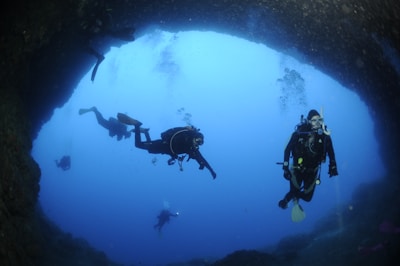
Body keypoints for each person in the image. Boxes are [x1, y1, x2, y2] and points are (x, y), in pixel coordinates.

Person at [117, 113, 217, 179]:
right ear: (194, 137)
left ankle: (145, 132)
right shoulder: (186, 139)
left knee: (148, 149)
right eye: (197, 140)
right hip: (162, 145)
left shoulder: (192, 149)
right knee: (138, 145)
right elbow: (174, 144)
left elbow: (202, 159)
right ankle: (137, 125)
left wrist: (211, 170)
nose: (197, 144)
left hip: (163, 149)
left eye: (200, 143)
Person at [278, 109, 338, 210]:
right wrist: (285, 167)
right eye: (314, 120)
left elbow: (331, 152)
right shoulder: (299, 134)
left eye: (320, 120)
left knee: (308, 198)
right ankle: (286, 200)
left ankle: (296, 196)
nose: (318, 122)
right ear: (309, 121)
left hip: (312, 171)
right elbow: (287, 150)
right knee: (293, 190)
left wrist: (333, 166)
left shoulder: (325, 137)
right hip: (297, 169)